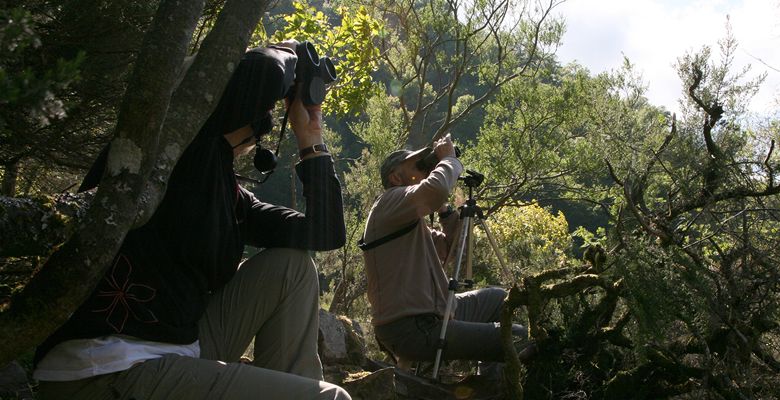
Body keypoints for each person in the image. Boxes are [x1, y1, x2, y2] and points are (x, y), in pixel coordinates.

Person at [32, 42, 350, 400]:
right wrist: (289, 49)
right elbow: (261, 73)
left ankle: (295, 385)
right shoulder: (173, 152)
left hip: (181, 349)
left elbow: (324, 232)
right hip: (107, 369)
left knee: (292, 266)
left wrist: (311, 139)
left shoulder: (227, 194)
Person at [361, 134, 532, 374]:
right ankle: (495, 390)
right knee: (518, 337)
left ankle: (490, 380)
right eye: (417, 166)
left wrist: (443, 208)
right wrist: (448, 159)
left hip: (432, 312)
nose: (425, 169)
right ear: (396, 177)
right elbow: (438, 187)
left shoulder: (409, 220)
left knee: (498, 298)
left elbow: (450, 249)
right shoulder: (388, 203)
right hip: (411, 328)